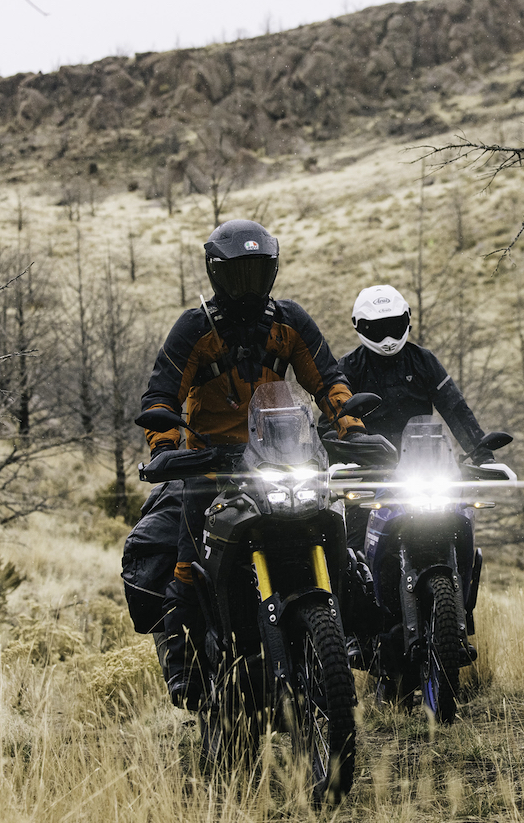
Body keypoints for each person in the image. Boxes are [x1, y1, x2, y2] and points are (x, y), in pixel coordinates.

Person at [130, 219, 370, 710]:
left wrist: (351, 428)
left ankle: (351, 641)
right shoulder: (195, 328)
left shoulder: (290, 322)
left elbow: (328, 380)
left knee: (340, 542)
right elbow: (161, 394)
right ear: (217, 273)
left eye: (258, 272)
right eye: (238, 274)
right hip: (209, 466)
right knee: (184, 564)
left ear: (273, 271)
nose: (248, 284)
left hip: (284, 458)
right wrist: (166, 449)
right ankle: (189, 676)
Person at [337, 284, 492, 549]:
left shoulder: (423, 361)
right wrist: (336, 459)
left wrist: (483, 454)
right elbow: (333, 417)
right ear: (359, 326)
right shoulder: (349, 367)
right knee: (354, 548)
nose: (387, 336)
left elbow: (454, 408)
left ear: (407, 319)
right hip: (371, 471)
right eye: (378, 327)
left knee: (459, 527)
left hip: (426, 467)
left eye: (393, 325)